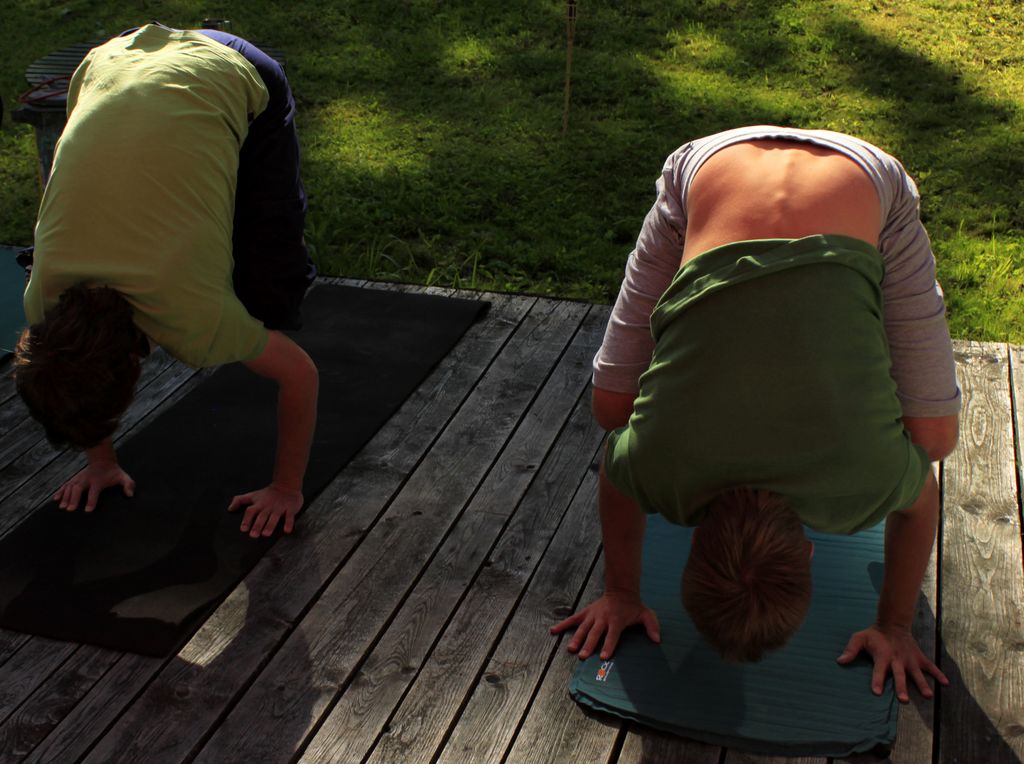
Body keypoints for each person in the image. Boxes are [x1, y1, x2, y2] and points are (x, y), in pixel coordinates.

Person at [550, 126, 961, 704]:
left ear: (811, 551)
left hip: (838, 176)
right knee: (612, 413)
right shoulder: (659, 467)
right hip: (728, 163)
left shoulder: (863, 477)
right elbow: (616, 476)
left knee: (933, 442)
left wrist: (894, 626)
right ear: (694, 543)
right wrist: (621, 591)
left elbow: (920, 505)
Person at [14, 23, 318, 539]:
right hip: (110, 60)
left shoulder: (197, 319)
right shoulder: (42, 301)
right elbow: (71, 374)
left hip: (232, 67)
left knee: (270, 284)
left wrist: (286, 489)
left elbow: (301, 376)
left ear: (135, 361)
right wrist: (100, 463)